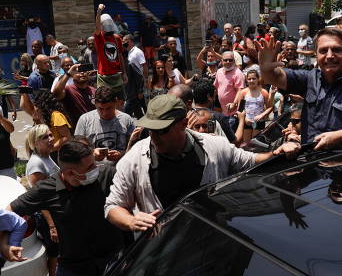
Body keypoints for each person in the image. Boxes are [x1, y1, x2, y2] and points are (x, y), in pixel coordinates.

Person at [104, 95, 299, 232]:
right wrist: (131, 221)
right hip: (161, 257)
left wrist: (277, 152)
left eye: (161, 130)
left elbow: (250, 161)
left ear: (182, 124)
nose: (154, 136)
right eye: (151, 130)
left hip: (209, 246)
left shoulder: (215, 146)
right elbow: (113, 207)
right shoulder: (134, 160)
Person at [8, 138, 125, 276]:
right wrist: (8, 244)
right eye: (89, 167)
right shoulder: (48, 188)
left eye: (94, 163)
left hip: (110, 263)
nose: (96, 168)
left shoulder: (107, 175)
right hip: (74, 269)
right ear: (71, 172)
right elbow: (10, 211)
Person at [258, 29, 342, 148]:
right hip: (311, 165)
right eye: (323, 51)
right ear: (316, 54)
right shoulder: (309, 79)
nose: (330, 55)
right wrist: (265, 66)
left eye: (336, 50)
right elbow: (274, 77)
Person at [24, 125, 60, 276]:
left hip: (56, 213)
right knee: (54, 256)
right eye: (45, 137)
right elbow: (40, 199)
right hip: (48, 218)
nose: (51, 139)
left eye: (51, 135)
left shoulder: (47, 156)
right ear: (35, 142)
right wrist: (52, 225)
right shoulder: (36, 164)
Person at [74, 86, 135, 164]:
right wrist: (92, 153)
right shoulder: (84, 120)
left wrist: (121, 154)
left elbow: (134, 147)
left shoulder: (126, 119)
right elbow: (77, 147)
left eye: (109, 108)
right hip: (94, 171)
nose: (105, 113)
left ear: (115, 102)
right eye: (101, 109)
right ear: (95, 103)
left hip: (120, 168)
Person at [191, 79, 241, 145]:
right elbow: (234, 143)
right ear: (209, 96)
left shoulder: (188, 115)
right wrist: (242, 120)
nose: (201, 130)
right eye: (215, 95)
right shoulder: (218, 117)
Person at [227, 69, 272, 142]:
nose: (251, 81)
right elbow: (240, 109)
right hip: (246, 121)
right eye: (249, 79)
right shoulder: (243, 92)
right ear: (246, 80)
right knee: (246, 143)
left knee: (255, 143)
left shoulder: (264, 92)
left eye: (253, 78)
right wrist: (244, 119)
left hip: (259, 122)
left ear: (258, 79)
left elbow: (270, 107)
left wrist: (262, 115)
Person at [94, 4, 128, 100]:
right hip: (104, 76)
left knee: (121, 101)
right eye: (104, 23)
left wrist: (124, 73)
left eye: (109, 22)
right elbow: (97, 28)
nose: (107, 25)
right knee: (105, 101)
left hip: (116, 74)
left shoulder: (116, 38)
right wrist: (99, 11)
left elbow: (120, 56)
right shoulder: (99, 37)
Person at [52, 63, 96, 127]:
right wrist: (68, 73)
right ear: (72, 76)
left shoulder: (94, 90)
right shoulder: (68, 89)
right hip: (78, 129)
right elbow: (56, 93)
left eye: (84, 71)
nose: (82, 73)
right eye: (78, 72)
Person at [213, 51, 245, 118]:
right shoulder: (219, 72)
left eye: (230, 60)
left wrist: (234, 103)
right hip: (223, 112)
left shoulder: (238, 73)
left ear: (234, 61)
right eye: (225, 60)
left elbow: (240, 91)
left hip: (234, 113)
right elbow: (215, 87)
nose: (228, 62)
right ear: (222, 61)